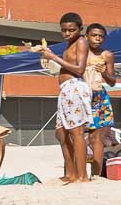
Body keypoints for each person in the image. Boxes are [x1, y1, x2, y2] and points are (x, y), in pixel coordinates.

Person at [28, 12, 90, 184]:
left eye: (71, 30)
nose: (67, 33)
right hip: (65, 90)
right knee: (61, 133)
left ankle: (82, 176)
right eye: (64, 30)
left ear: (80, 29)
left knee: (76, 132)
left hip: (74, 88)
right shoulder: (68, 45)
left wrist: (53, 57)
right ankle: (70, 173)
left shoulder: (81, 42)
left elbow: (79, 69)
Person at [83, 23, 117, 179]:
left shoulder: (107, 55)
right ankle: (78, 173)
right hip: (80, 96)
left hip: (97, 96)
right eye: (94, 35)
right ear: (86, 36)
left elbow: (112, 81)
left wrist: (104, 72)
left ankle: (96, 175)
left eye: (101, 36)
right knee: (75, 136)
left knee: (95, 137)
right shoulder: (79, 53)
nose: (97, 38)